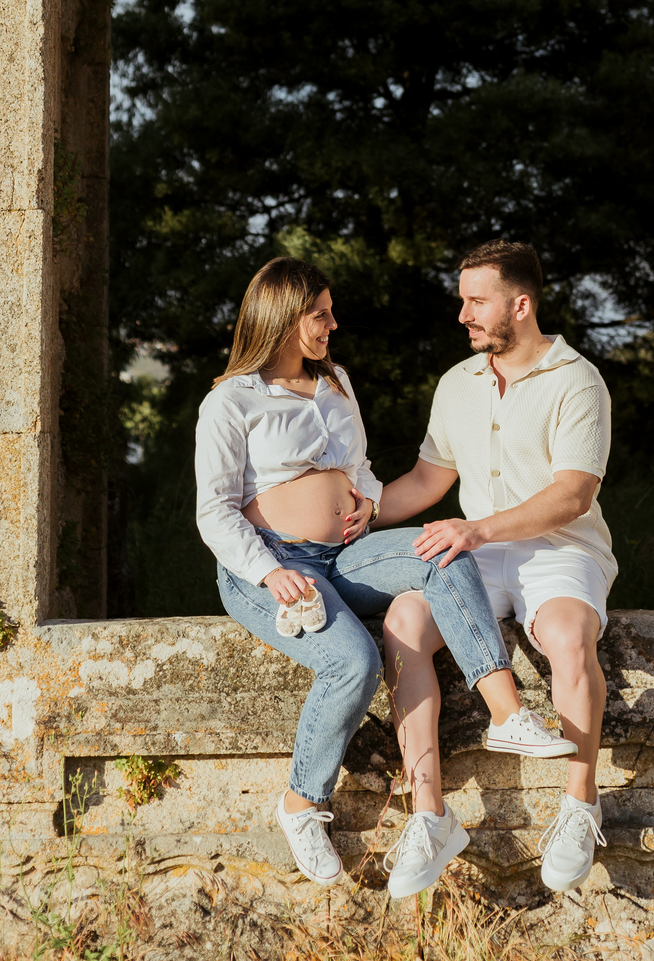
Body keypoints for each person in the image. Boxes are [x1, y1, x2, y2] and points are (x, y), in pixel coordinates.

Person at [194, 256, 575, 898]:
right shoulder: (232, 400)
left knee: (442, 547)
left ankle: (507, 714)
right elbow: (214, 511)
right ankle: (301, 804)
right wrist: (268, 572)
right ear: (285, 321)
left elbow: (361, 467)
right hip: (270, 565)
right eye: (321, 314)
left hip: (345, 553)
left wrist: (367, 501)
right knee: (353, 660)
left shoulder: (336, 382)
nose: (332, 324)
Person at [377, 239, 616, 892]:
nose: (463, 315)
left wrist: (477, 527)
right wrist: (362, 512)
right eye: (463, 301)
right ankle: (430, 818)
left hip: (560, 547)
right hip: (473, 554)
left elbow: (574, 493)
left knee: (568, 635)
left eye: (476, 301)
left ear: (521, 303)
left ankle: (579, 802)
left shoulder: (577, 379)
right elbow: (429, 477)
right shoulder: (458, 383)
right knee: (403, 621)